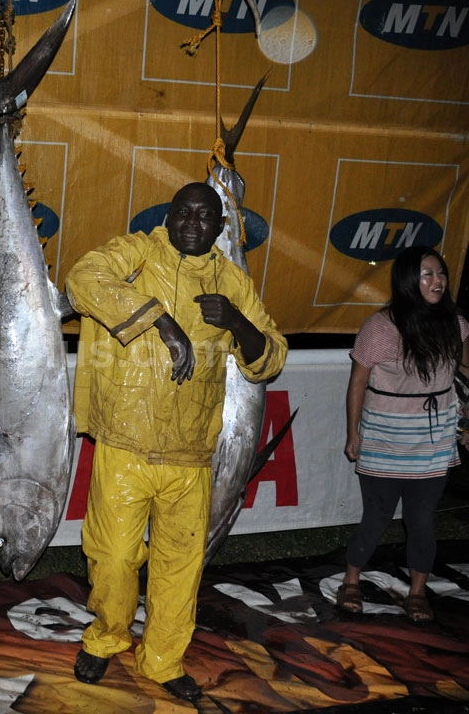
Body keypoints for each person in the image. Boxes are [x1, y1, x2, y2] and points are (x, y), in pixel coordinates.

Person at [65, 182, 287, 701]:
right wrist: (159, 319)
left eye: (204, 215)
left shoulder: (231, 280)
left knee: (179, 568)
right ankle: (106, 638)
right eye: (182, 212)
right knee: (115, 558)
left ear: (219, 227)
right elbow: (81, 280)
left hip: (191, 457)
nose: (192, 222)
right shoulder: (137, 255)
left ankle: (164, 661)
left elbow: (271, 355)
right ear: (167, 217)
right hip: (125, 446)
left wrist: (235, 320)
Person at [340, 245, 469, 622]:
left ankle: (417, 592)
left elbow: (464, 375)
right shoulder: (380, 327)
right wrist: (353, 434)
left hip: (434, 440)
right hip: (384, 437)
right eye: (427, 274)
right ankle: (351, 580)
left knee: (423, 519)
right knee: (377, 516)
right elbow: (357, 383)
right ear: (409, 282)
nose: (437, 281)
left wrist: (466, 421)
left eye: (440, 273)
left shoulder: (456, 325)